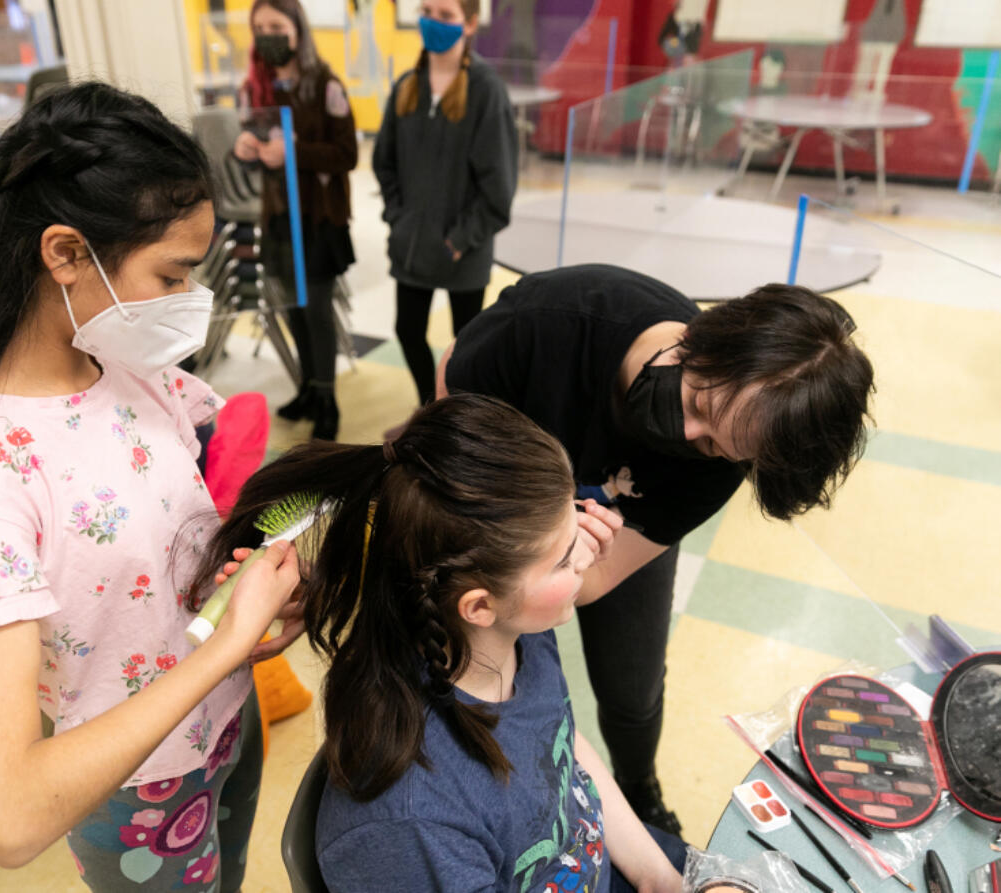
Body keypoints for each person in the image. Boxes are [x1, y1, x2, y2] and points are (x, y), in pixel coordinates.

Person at [0, 82, 301, 891]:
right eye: (174, 273)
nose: (191, 301)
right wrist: (223, 648)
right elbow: (8, 815)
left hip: (227, 720)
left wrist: (244, 601)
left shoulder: (133, 374)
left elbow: (165, 550)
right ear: (67, 254)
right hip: (136, 788)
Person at [436, 264, 875, 834]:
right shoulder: (551, 321)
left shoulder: (724, 460)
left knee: (631, 682)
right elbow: (450, 422)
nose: (691, 440)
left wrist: (567, 564)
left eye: (717, 446)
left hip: (614, 537)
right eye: (698, 405)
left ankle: (637, 784)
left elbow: (593, 583)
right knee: (492, 674)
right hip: (491, 498)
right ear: (706, 339)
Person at [196, 394, 686, 893]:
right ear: (477, 606)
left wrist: (662, 878)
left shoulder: (513, 636)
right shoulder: (412, 823)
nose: (587, 554)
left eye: (574, 516)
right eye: (563, 558)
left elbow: (561, 753)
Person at [374, 0, 517, 407]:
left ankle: (459, 423)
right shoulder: (407, 85)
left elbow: (499, 192)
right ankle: (429, 410)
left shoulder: (486, 90)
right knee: (408, 330)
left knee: (467, 352)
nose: (433, 22)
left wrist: (458, 240)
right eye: (427, 10)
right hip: (412, 248)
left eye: (446, 15)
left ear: (470, 24)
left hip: (463, 255)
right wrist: (397, 219)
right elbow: (384, 164)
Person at [235, 0, 357, 441]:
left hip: (318, 218)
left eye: (277, 25)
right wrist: (245, 149)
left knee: (317, 309)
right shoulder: (254, 89)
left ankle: (327, 398)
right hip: (279, 217)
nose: (267, 33)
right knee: (291, 307)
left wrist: (295, 152)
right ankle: (307, 387)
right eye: (259, 26)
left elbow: (347, 154)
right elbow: (250, 150)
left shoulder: (324, 84)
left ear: (297, 30)